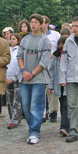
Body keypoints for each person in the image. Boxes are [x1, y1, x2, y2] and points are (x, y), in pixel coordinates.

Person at [17, 14, 52, 144]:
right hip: (24, 78)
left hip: (38, 79)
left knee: (35, 106)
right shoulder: (25, 40)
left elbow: (44, 62)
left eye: (36, 22)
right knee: (25, 107)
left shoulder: (45, 41)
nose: (33, 24)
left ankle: (34, 132)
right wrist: (23, 71)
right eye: (31, 22)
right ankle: (32, 126)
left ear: (41, 24)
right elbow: (19, 56)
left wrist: (32, 73)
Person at [49, 35, 70, 137]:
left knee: (66, 105)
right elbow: (51, 71)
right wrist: (51, 86)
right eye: (62, 43)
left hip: (68, 84)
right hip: (59, 84)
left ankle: (64, 127)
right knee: (62, 105)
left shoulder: (71, 55)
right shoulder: (56, 56)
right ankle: (65, 125)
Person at [42, 16, 61, 123]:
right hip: (40, 67)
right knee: (42, 91)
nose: (42, 24)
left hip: (52, 66)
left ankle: (53, 112)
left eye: (44, 22)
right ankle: (44, 112)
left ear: (48, 23)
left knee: (51, 91)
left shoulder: (55, 35)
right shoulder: (37, 35)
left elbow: (60, 48)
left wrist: (53, 55)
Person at [6, 33, 22, 129]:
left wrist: (14, 77)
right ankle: (12, 116)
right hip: (7, 77)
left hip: (17, 78)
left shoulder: (19, 50)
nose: (11, 40)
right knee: (9, 99)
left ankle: (15, 119)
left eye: (14, 39)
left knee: (17, 100)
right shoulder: (7, 50)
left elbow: (19, 65)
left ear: (18, 40)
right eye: (11, 39)